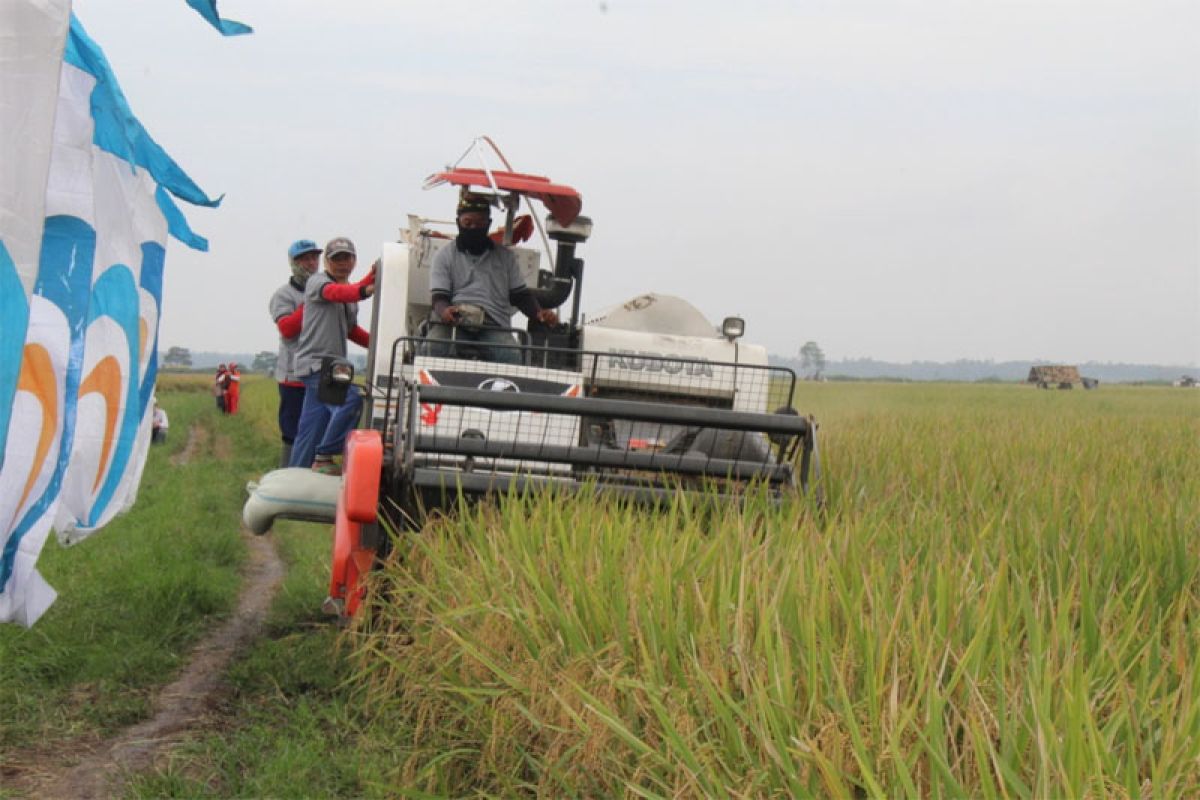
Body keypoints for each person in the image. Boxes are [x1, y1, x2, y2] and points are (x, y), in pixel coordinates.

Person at [426, 191, 557, 364]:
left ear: (488, 224)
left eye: (479, 223)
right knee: (432, 347)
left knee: (512, 357)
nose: (473, 228)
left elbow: (520, 296)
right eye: (468, 223)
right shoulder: (443, 256)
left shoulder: (506, 257)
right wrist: (445, 312)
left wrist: (539, 313)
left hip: (494, 325)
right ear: (459, 223)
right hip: (455, 323)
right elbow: (439, 297)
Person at [288, 236, 374, 475]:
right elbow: (336, 293)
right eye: (337, 259)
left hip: (330, 368)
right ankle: (325, 456)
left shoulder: (351, 297)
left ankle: (293, 480)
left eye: (347, 258)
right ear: (327, 262)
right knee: (351, 399)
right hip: (316, 365)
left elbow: (351, 330)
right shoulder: (318, 281)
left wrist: (378, 345)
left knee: (310, 428)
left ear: (354, 261)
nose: (342, 263)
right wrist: (366, 288)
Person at [270, 239, 322, 466]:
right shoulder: (283, 295)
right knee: (292, 430)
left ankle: (307, 478)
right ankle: (287, 475)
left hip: (319, 374)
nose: (311, 263)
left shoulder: (323, 291)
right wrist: (311, 299)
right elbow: (287, 329)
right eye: (305, 259)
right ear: (294, 263)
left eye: (314, 258)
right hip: (293, 377)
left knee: (316, 430)